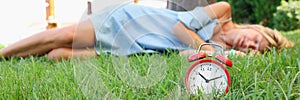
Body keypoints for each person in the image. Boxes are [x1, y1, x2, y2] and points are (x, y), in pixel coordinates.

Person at [0, 2, 294, 61]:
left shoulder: (221, 53)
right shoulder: (224, 12)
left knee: (57, 57)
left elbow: (182, 55)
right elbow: (181, 26)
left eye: (256, 51)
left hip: (138, 46)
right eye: (258, 40)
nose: (250, 45)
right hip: (135, 20)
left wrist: (208, 54)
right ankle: (3, 54)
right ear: (257, 29)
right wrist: (206, 49)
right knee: (63, 36)